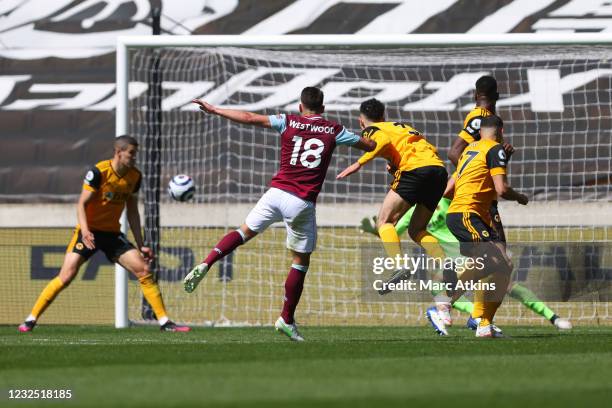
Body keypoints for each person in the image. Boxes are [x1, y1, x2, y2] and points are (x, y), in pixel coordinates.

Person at [185, 87, 376, 341]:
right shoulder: (334, 129)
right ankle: (286, 318)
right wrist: (372, 135)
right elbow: (369, 145)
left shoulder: (288, 120)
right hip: (301, 203)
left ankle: (206, 262)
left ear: (300, 106)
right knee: (300, 260)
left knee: (243, 232)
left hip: (275, 194)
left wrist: (215, 109)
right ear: (323, 108)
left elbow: (251, 118)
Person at [19, 136, 190, 332]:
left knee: (143, 270)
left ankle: (165, 323)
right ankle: (30, 320)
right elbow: (82, 204)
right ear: (119, 152)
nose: (135, 158)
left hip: (111, 235)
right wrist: (85, 231)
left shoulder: (135, 176)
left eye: (136, 154)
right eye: (131, 153)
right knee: (66, 276)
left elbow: (132, 212)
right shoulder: (98, 172)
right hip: (88, 232)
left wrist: (141, 243)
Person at [430, 115, 528, 337]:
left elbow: (448, 189)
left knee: (503, 265)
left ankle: (483, 324)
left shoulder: (470, 151)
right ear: (501, 130)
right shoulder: (495, 150)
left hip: (463, 214)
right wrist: (520, 197)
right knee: (498, 261)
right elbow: (502, 190)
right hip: (467, 214)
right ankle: (444, 302)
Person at [336, 98, 447, 263]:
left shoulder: (372, 129)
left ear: (361, 121)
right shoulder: (402, 127)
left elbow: (383, 142)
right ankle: (446, 263)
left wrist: (358, 164)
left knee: (384, 221)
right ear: (383, 115)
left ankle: (400, 265)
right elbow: (431, 149)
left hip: (415, 170)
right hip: (438, 171)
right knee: (416, 229)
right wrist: (397, 168)